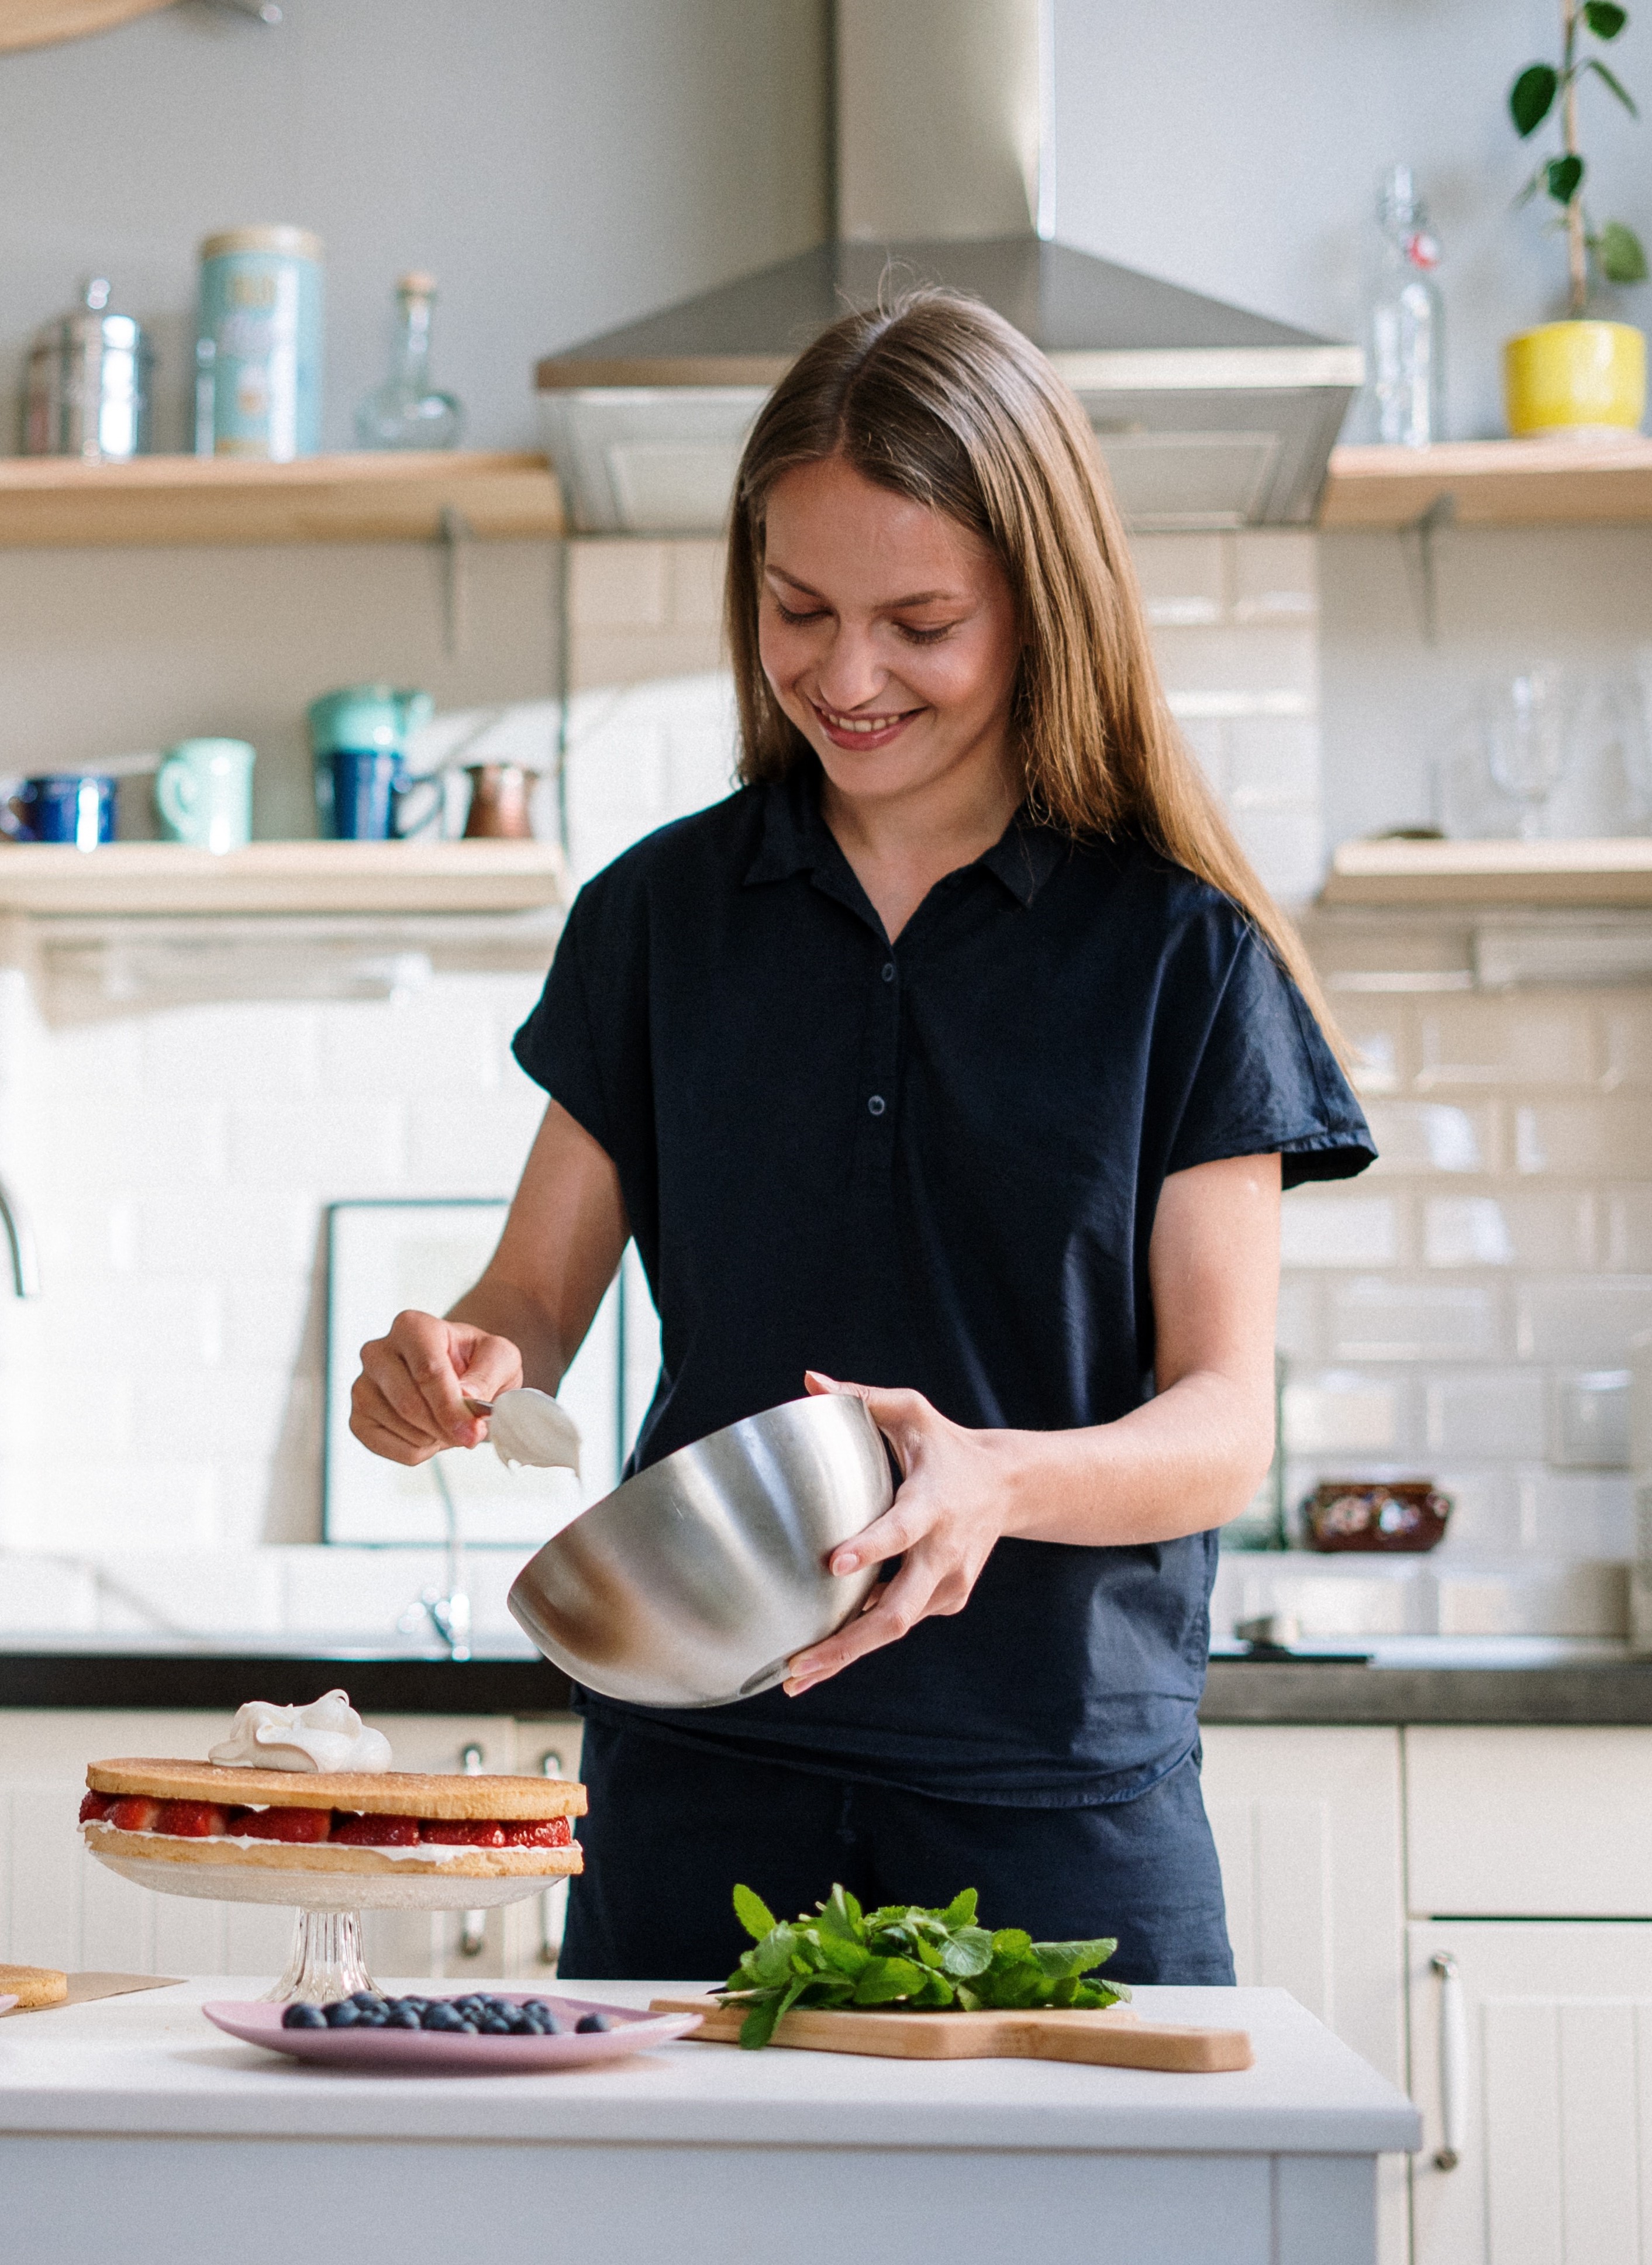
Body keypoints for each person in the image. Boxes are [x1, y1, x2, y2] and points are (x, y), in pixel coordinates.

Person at [350, 291, 1374, 1986]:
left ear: (1040, 609)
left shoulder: (1179, 956)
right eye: (795, 606)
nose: (843, 673)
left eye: (919, 620)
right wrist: (454, 1362)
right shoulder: (657, 918)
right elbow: (531, 1294)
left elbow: (1219, 1427)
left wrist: (994, 1475)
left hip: (1055, 1802)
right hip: (698, 1784)